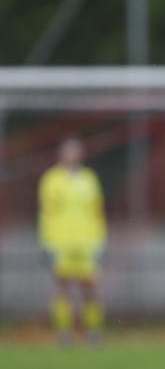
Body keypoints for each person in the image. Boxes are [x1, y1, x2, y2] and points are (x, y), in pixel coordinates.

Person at [38, 137, 107, 345]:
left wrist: (101, 240)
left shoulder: (89, 179)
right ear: (61, 154)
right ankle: (64, 332)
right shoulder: (51, 179)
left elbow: (97, 212)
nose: (73, 155)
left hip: (86, 242)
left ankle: (92, 332)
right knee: (63, 288)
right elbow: (46, 214)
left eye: (76, 151)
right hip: (61, 243)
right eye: (69, 151)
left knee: (91, 288)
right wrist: (47, 242)